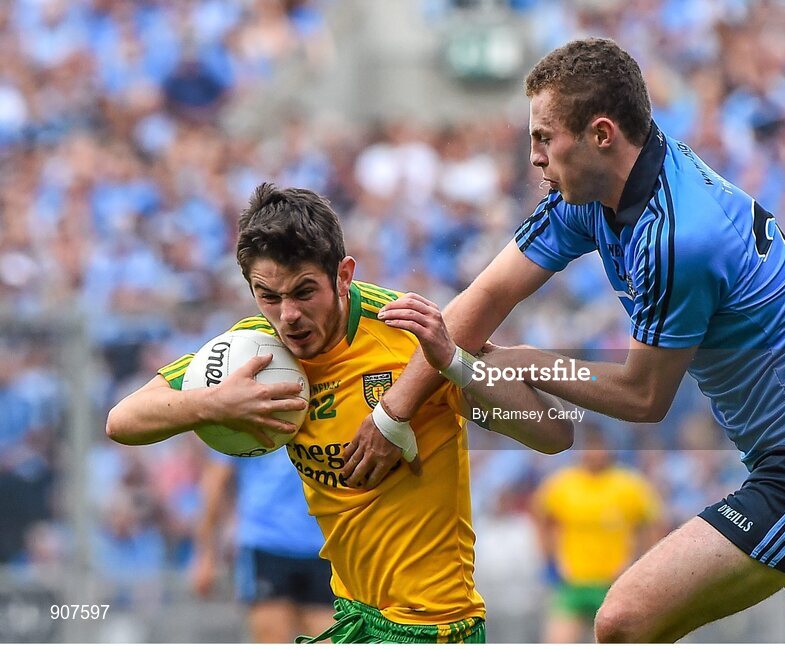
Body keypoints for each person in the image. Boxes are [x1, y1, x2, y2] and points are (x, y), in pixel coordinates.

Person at [343, 38, 785, 642]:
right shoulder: (590, 192)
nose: (532, 156)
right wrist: (392, 413)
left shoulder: (678, 237)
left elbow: (644, 399)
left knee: (624, 622)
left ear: (602, 134)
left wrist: (527, 363)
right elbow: (484, 300)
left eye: (543, 137)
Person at [106, 183, 575, 643]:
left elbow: (553, 433)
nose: (287, 315)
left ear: (344, 274)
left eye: (304, 291)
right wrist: (213, 403)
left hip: (431, 626)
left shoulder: (404, 337)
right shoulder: (252, 349)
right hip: (354, 617)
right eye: (268, 296)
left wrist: (452, 360)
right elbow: (122, 420)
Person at [191, 450, 336, 643]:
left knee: (329, 638)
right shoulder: (240, 422)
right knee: (272, 638)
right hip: (266, 544)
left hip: (323, 546)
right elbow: (215, 480)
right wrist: (206, 554)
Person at [533, 430, 663, 643]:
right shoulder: (563, 483)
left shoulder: (629, 484)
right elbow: (541, 517)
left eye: (599, 448)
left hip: (614, 584)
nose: (595, 454)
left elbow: (653, 523)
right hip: (573, 581)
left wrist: (641, 563)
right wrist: (550, 559)